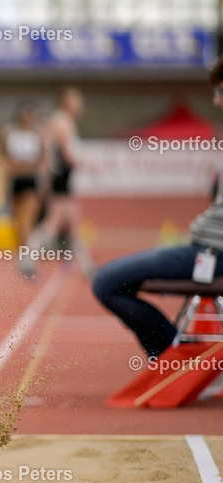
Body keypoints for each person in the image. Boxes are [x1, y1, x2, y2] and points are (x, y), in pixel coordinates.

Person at [92, 60, 223, 359]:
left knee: (106, 283)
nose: (215, 100)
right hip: (207, 251)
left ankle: (172, 355)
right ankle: (173, 353)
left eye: (220, 91)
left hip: (211, 255)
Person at [26, 88, 96, 278]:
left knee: (71, 223)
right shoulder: (62, 122)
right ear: (66, 103)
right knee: (54, 224)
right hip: (60, 179)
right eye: (76, 102)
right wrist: (87, 165)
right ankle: (27, 257)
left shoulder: (62, 121)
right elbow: (65, 154)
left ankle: (87, 267)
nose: (79, 107)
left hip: (61, 178)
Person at [0, 102, 45, 278]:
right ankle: (21, 254)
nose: (28, 119)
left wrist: (33, 171)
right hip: (15, 179)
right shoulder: (10, 133)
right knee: (17, 220)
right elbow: (3, 157)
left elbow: (41, 158)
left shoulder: (36, 134)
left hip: (30, 179)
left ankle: (27, 257)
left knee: (28, 218)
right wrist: (5, 177)